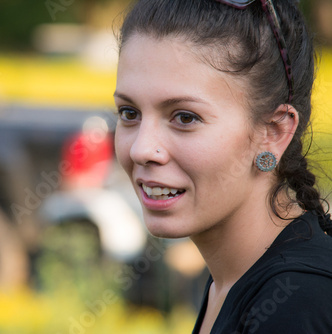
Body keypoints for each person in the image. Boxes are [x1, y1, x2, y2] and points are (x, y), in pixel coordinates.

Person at [113, 0, 332, 333]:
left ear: (272, 132)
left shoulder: (297, 303)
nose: (143, 149)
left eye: (185, 117)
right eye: (130, 113)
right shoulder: (234, 280)